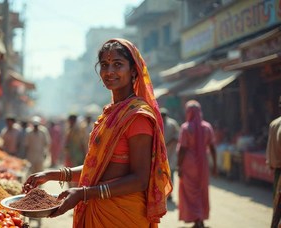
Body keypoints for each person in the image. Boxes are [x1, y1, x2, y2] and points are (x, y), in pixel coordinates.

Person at [23, 38, 172, 227]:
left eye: (118, 64)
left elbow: (140, 180)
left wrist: (84, 193)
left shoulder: (137, 117)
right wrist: (52, 174)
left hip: (123, 215)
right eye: (104, 65)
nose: (109, 72)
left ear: (133, 70)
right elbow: (96, 167)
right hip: (98, 209)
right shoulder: (110, 114)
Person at [177, 100, 218, 228]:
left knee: (190, 192)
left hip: (189, 165)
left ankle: (196, 218)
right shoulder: (207, 127)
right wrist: (215, 165)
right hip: (203, 164)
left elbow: (182, 149)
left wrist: (178, 166)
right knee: (201, 190)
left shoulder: (185, 127)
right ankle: (200, 217)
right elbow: (212, 147)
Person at [267, 96, 281, 227]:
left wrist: (272, 164)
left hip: (278, 172)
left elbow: (270, 156)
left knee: (277, 210)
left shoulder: (274, 124)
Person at [160, 107, 179, 201]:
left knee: (170, 174)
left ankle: (170, 193)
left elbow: (177, 136)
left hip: (170, 154)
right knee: (160, 175)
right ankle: (162, 193)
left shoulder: (172, 124)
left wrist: (168, 143)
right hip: (160, 154)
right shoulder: (157, 122)